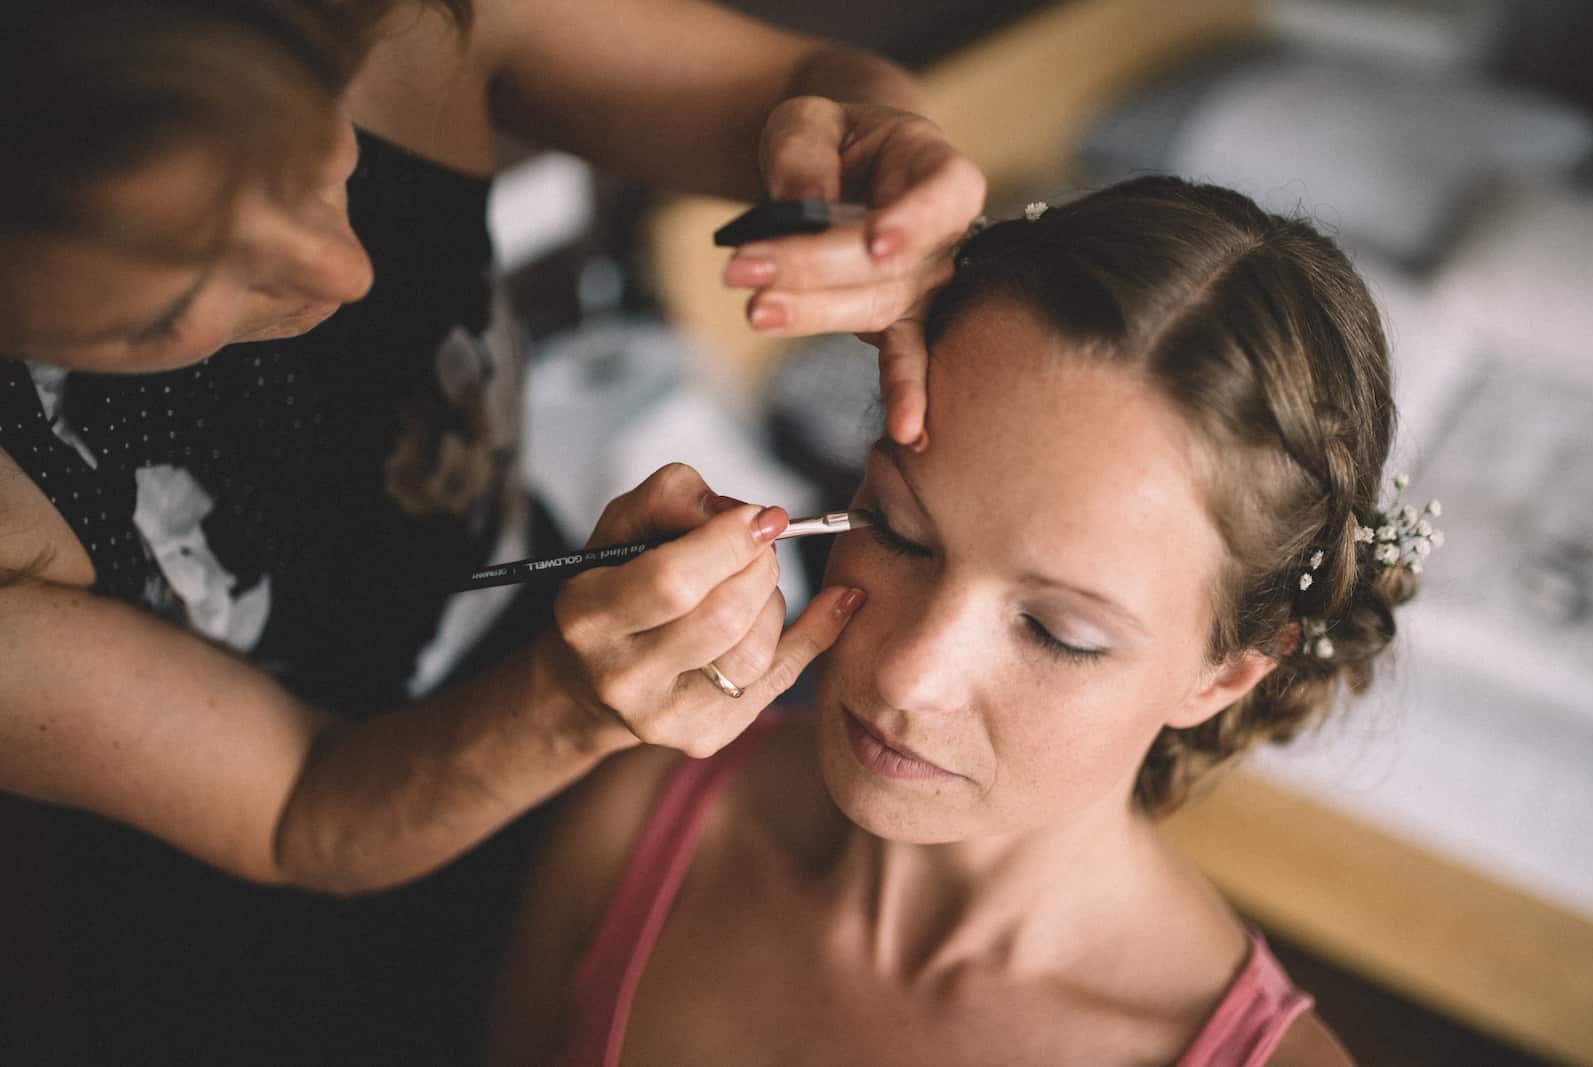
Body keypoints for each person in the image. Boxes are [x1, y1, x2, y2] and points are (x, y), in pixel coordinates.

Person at [0, 0, 981, 1060]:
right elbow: (300, 812)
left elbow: (803, 78)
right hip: (278, 882)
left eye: (309, 159)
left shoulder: (411, 17)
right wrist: (561, 704)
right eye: (164, 310)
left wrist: (873, 160)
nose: (346, 272)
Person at [488, 177, 1432, 1065]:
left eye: (1058, 630)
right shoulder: (644, 819)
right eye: (898, 531)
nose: (906, 673)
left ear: (1222, 674)